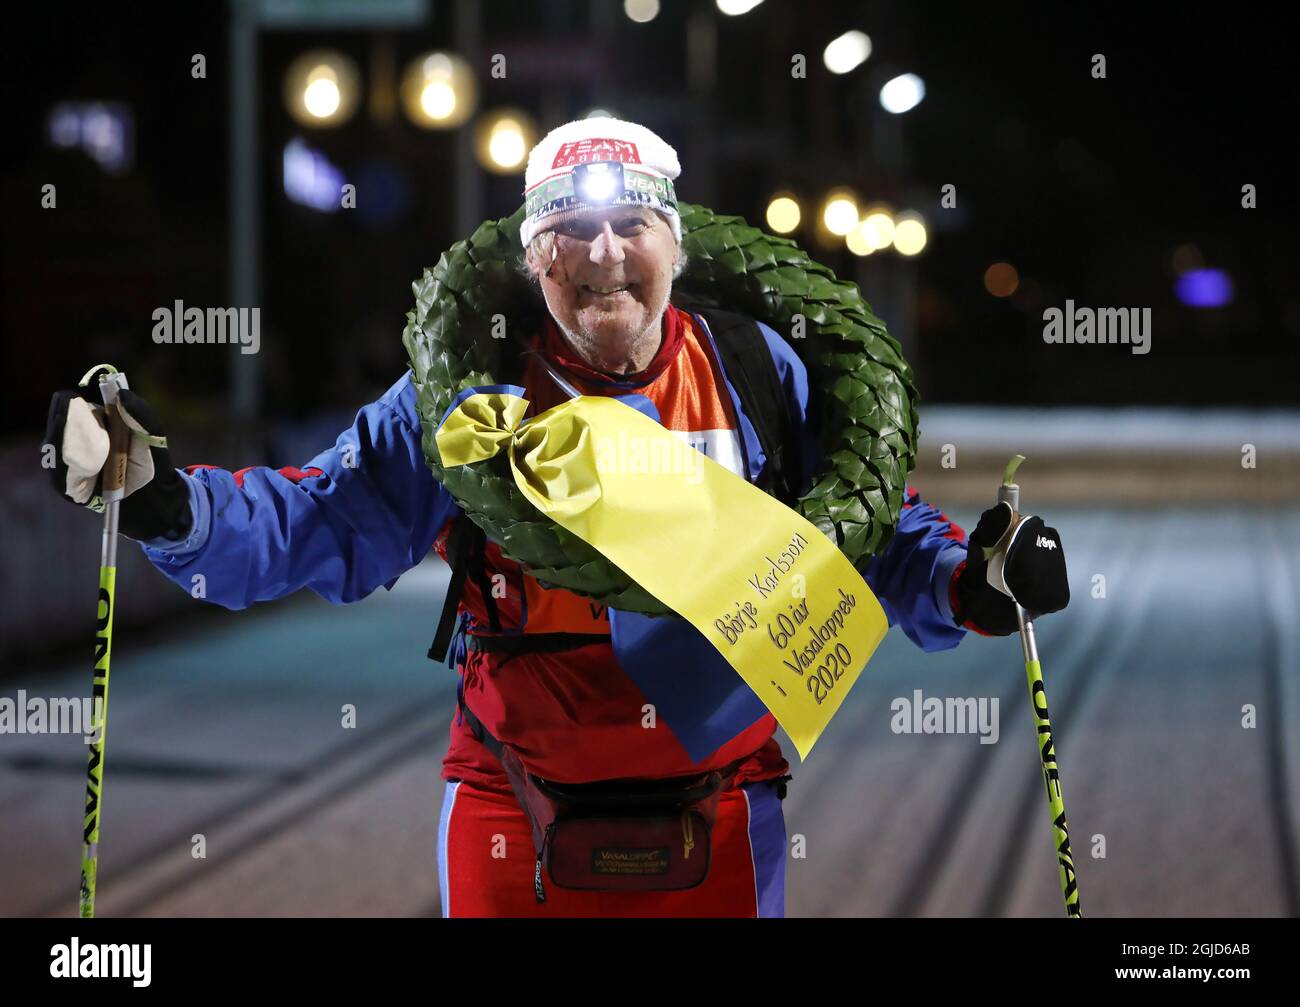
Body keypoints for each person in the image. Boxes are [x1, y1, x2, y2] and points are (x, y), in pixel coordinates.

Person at [44, 117, 1069, 918]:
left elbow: (871, 528)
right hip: (512, 807)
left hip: (717, 809)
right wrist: (156, 491)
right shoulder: (470, 394)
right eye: (569, 230)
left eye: (633, 224)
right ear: (533, 261)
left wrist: (971, 580)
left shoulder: (755, 371)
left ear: (676, 243)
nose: (605, 251)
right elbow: (321, 516)